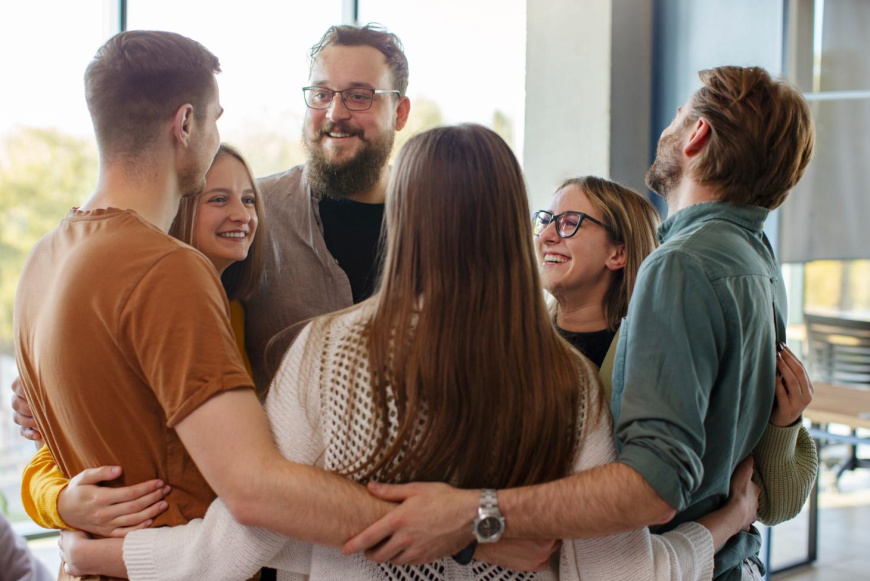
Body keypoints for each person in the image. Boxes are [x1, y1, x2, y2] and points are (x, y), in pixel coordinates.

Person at [60, 123, 759, 581]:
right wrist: (722, 526)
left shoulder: (320, 355)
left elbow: (245, 538)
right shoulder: (568, 384)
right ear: (511, 221)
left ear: (404, 217)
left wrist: (106, 552)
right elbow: (620, 572)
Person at [341, 66, 817, 581]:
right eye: (545, 220)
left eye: (679, 117)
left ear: (698, 135)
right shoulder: (760, 261)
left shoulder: (679, 264)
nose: (547, 236)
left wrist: (472, 517)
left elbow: (656, 485)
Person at [13, 29, 397, 581]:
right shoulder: (166, 267)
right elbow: (254, 489)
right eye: (216, 119)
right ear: (185, 123)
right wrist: (457, 534)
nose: (218, 136)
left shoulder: (44, 259)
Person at [532, 176, 816, 525]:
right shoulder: (518, 344)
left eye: (569, 223)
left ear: (618, 253)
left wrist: (782, 425)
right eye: (546, 221)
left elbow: (777, 504)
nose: (545, 236)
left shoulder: (664, 347)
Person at [20, 143, 265, 537]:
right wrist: (61, 505)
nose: (242, 214)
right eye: (218, 198)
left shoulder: (242, 316)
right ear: (180, 207)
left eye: (249, 199)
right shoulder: (135, 298)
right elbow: (51, 450)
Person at [243, 23, 411, 392]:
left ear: (400, 112)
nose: (335, 113)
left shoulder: (437, 217)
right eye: (321, 94)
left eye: (359, 96)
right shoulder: (254, 212)